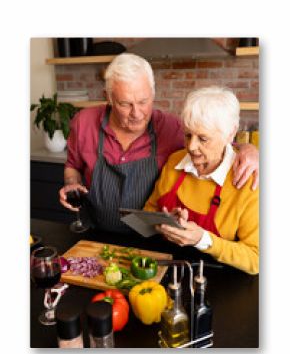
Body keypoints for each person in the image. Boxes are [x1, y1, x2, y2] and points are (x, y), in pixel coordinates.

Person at [59, 53, 259, 234]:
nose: (137, 114)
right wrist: (72, 184)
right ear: (108, 98)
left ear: (153, 94)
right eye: (125, 104)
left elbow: (217, 140)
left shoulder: (171, 127)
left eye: (144, 101)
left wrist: (250, 150)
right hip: (94, 233)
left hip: (150, 243)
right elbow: (72, 166)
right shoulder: (83, 122)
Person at [144, 86, 259, 275]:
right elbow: (149, 210)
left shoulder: (249, 179)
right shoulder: (174, 161)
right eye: (188, 135)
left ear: (230, 134)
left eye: (203, 138)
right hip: (166, 271)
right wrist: (165, 223)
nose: (191, 146)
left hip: (221, 282)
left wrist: (203, 240)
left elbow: (256, 259)